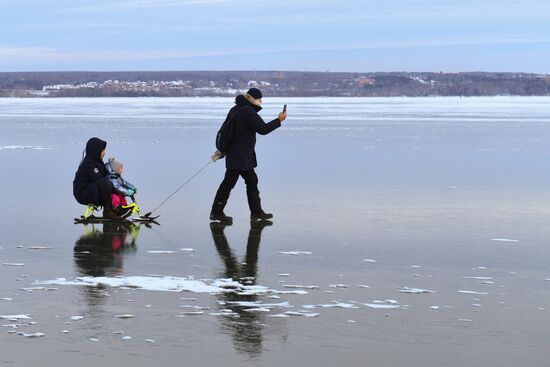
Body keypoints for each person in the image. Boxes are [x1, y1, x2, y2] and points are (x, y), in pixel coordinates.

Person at [210, 88, 287, 222]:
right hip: (240, 156)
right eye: (259, 100)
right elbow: (263, 129)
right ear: (253, 99)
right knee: (233, 183)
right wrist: (279, 120)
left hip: (236, 154)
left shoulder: (236, 108)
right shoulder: (248, 112)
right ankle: (218, 212)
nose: (260, 102)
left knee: (247, 181)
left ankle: (254, 212)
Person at [73, 137, 120, 220]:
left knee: (113, 181)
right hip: (83, 192)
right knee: (105, 183)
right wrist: (116, 190)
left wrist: (110, 165)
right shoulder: (88, 164)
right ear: (95, 151)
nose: (104, 153)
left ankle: (118, 208)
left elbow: (105, 174)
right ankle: (107, 212)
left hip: (92, 189)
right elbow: (100, 179)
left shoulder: (97, 161)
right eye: (102, 151)